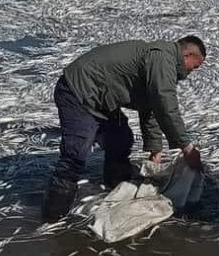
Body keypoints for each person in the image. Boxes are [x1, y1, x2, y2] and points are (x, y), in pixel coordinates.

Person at [42, 35, 206, 221]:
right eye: (196, 65)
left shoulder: (163, 60)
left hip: (101, 99)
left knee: (120, 138)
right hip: (78, 92)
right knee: (75, 155)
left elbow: (151, 106)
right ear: (188, 55)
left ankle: (114, 185)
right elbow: (164, 101)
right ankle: (54, 217)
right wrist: (187, 147)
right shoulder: (163, 58)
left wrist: (155, 149)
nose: (193, 71)